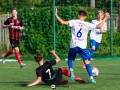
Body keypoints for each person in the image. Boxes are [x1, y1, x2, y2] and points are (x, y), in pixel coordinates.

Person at [55, 8, 109, 83]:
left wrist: (56, 15)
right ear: (85, 17)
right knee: (87, 62)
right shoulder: (87, 24)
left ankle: (71, 70)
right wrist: (105, 18)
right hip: (82, 47)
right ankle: (91, 78)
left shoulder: (73, 22)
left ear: (78, 15)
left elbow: (62, 22)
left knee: (70, 59)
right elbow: (99, 26)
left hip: (74, 45)